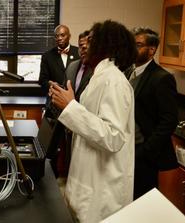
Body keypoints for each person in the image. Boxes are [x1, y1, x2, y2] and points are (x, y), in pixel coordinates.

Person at [49, 20, 137, 222]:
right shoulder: (98, 78)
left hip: (102, 191)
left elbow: (113, 137)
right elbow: (89, 123)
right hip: (85, 180)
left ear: (107, 45)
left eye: (90, 41)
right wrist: (68, 105)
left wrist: (71, 107)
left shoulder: (114, 81)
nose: (84, 46)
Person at [131, 27, 178, 199]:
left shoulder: (162, 78)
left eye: (138, 45)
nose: (133, 49)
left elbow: (169, 121)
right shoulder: (130, 72)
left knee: (143, 200)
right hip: (130, 150)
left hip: (146, 155)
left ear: (152, 50)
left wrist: (146, 150)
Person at [55, 30, 93, 180]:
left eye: (85, 46)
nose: (82, 50)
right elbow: (66, 90)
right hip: (69, 124)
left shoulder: (97, 70)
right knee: (70, 161)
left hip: (86, 124)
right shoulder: (72, 66)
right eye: (80, 46)